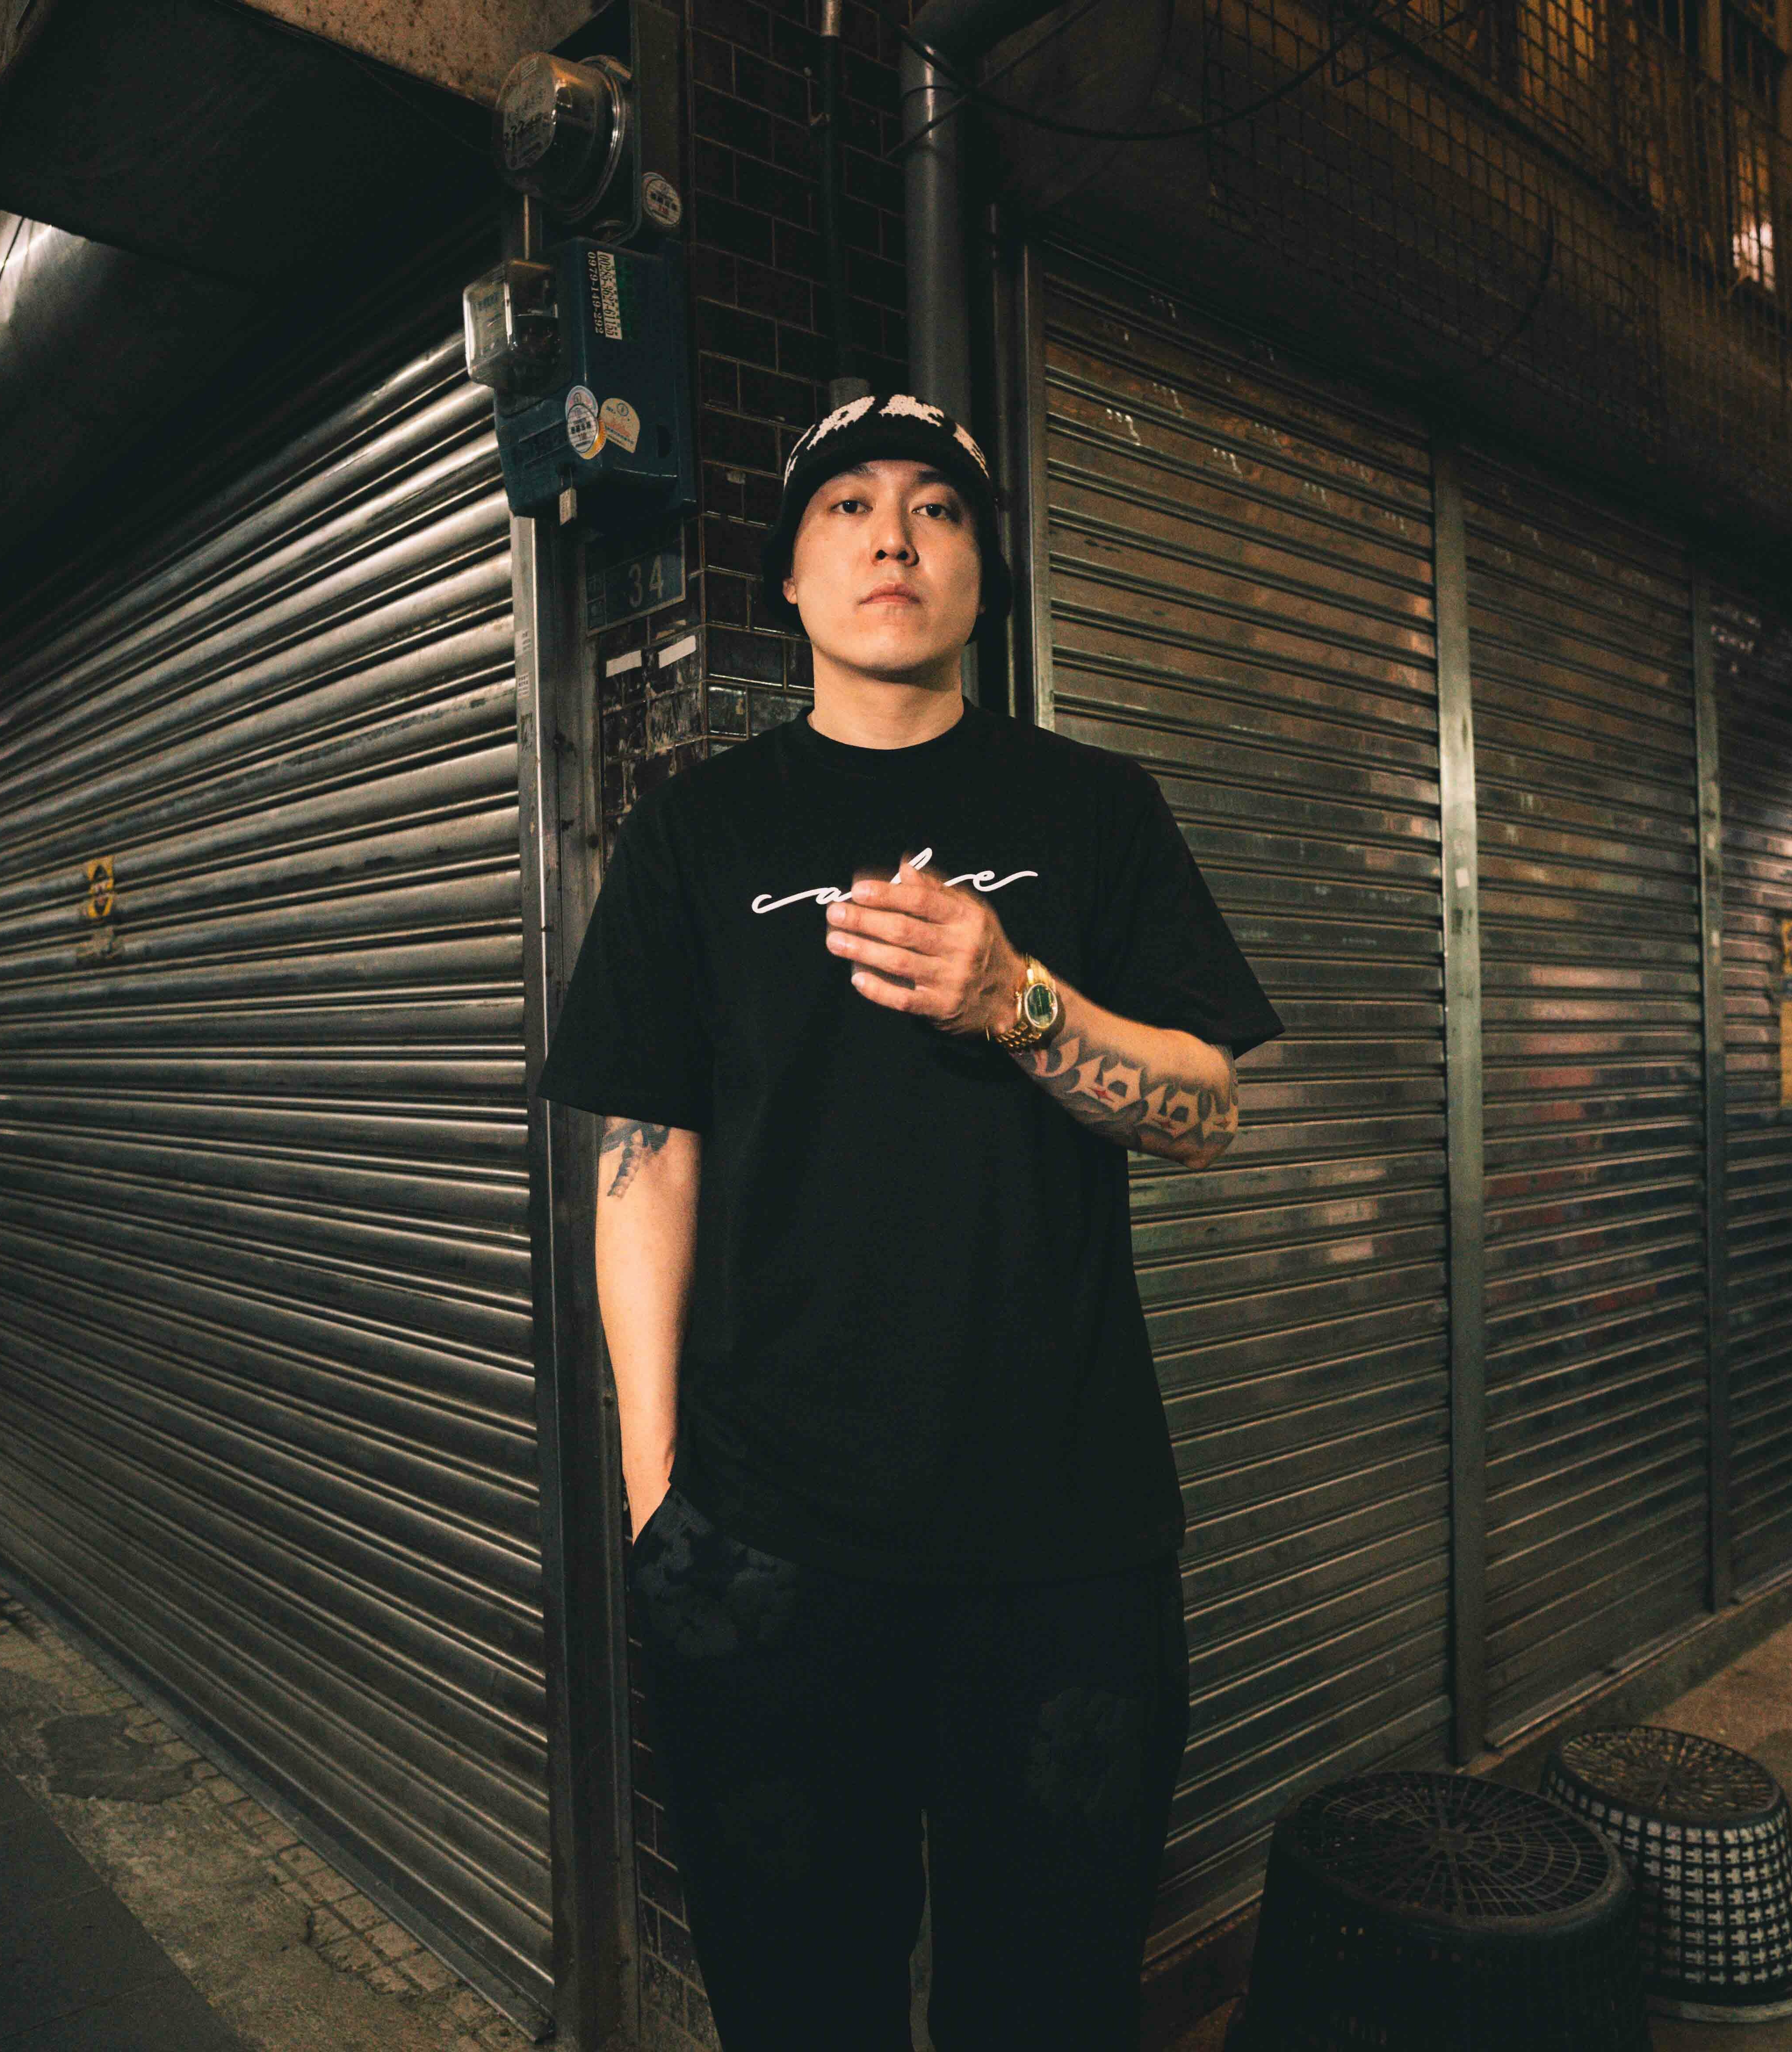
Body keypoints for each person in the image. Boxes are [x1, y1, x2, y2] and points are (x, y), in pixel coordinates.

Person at [538, 392, 1283, 2050]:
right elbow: (646, 1164)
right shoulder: (693, 836)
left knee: (1053, 2010)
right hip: (767, 1552)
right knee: (801, 2012)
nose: (894, 536)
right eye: (848, 507)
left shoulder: (1096, 812)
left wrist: (1021, 1001)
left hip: (1067, 1546)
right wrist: (659, 1503)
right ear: (791, 580)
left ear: (983, 577)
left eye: (937, 508)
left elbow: (1211, 1113)